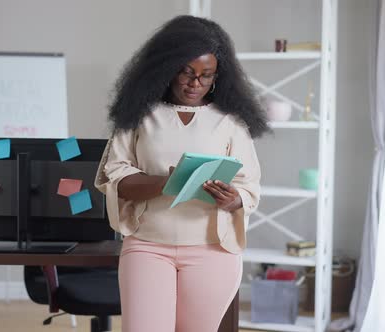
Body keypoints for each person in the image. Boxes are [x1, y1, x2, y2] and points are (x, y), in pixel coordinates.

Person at [95, 15, 267, 332]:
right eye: (187, 72)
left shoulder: (230, 122)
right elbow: (114, 177)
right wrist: (165, 182)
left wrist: (234, 199)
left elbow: (249, 187)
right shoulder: (137, 116)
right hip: (147, 246)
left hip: (212, 251)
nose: (194, 83)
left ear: (218, 77)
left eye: (206, 76)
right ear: (167, 67)